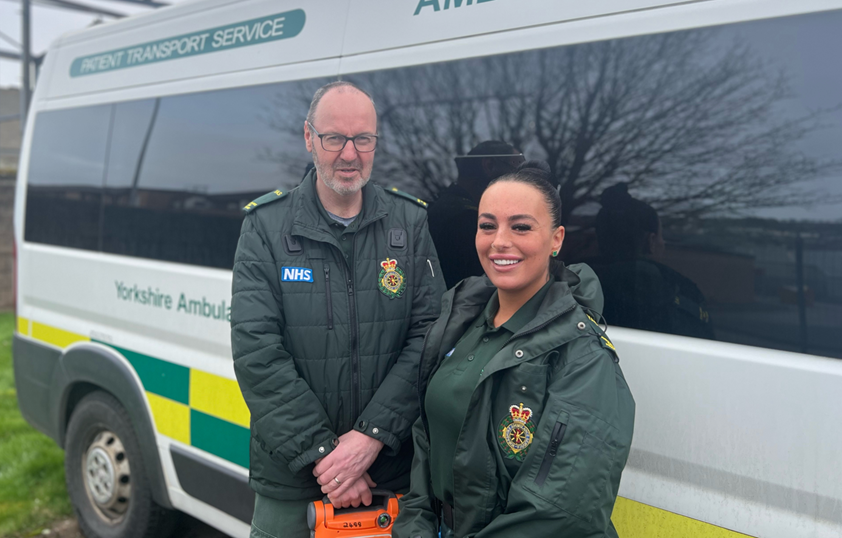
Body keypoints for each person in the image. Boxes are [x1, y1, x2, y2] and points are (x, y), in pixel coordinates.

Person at [230, 81, 446, 538]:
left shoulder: (408, 224)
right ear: (309, 138)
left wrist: (369, 439)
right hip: (292, 482)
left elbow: (428, 337)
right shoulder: (266, 227)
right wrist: (326, 455)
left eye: (363, 139)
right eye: (334, 139)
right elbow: (256, 352)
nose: (349, 154)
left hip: (388, 475)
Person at [393, 162, 635, 538]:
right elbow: (428, 443)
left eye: (520, 226)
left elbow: (559, 514)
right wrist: (415, 527)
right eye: (487, 225)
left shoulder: (582, 356)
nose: (499, 241)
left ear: (556, 239)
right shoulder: (459, 326)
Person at [590, 182, 713, 339]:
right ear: (652, 241)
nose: (664, 243)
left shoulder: (566, 285)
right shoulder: (683, 294)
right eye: (662, 236)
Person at [427, 141, 524, 288]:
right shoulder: (466, 221)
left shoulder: (446, 208)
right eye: (515, 169)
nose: (521, 182)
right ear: (489, 166)